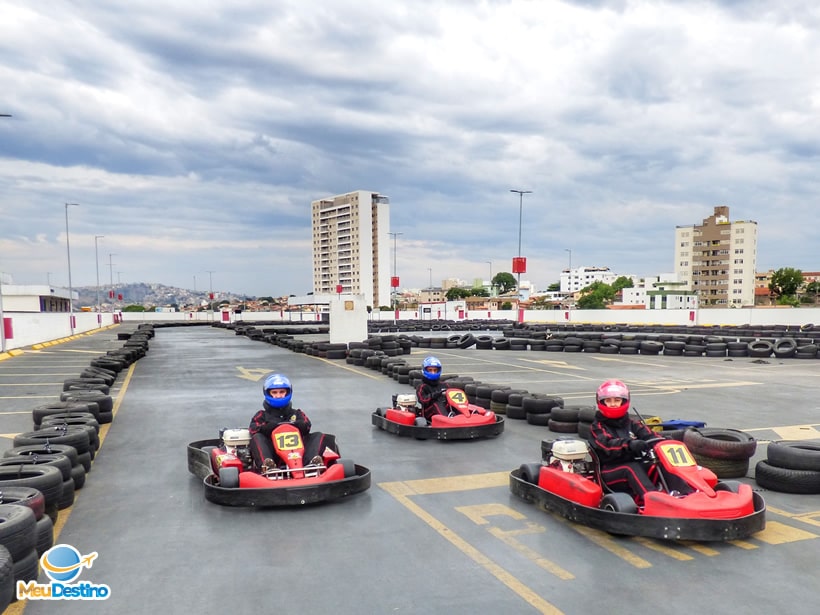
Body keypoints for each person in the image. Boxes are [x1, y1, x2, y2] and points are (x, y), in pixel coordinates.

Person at [587, 379, 662, 503]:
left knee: (660, 463)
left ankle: (687, 494)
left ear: (624, 401)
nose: (613, 404)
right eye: (608, 401)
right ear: (601, 402)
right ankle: (655, 502)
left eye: (617, 400)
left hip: (635, 465)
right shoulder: (597, 427)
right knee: (630, 468)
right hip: (608, 472)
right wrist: (630, 444)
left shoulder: (632, 423)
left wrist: (663, 442)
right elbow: (607, 446)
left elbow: (650, 436)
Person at [248, 373, 338, 470]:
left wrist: (296, 425)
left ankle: (312, 463)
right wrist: (270, 427)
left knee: (318, 435)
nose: (278, 396)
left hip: (299, 455)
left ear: (288, 393)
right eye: (274, 392)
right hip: (273, 454)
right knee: (257, 437)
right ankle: (267, 466)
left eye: (282, 392)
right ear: (267, 394)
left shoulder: (297, 414)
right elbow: (253, 430)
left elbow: (307, 426)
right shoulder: (261, 415)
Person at [415, 356, 449, 422]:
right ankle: (447, 422)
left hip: (445, 409)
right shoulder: (422, 386)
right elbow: (423, 400)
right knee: (436, 404)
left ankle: (464, 420)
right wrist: (437, 394)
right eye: (430, 370)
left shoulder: (444, 385)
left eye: (435, 370)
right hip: (428, 413)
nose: (433, 373)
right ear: (424, 370)